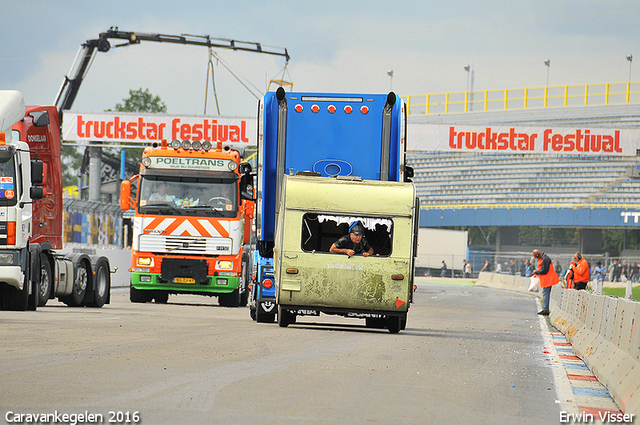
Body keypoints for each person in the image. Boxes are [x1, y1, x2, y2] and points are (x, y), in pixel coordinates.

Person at [532, 249, 559, 316]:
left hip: (548, 280)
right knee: (545, 294)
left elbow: (544, 270)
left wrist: (536, 272)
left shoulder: (545, 259)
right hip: (545, 280)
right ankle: (545, 308)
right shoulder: (543, 259)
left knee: (546, 294)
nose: (536, 258)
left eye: (536, 257)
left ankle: (546, 309)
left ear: (537, 255)